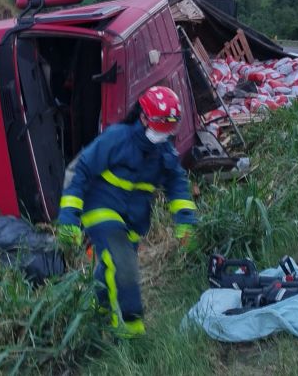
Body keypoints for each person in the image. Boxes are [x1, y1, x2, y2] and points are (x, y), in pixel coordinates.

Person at [55, 85, 198, 338]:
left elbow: (178, 185)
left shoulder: (163, 151)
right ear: (143, 117)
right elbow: (79, 170)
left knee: (109, 267)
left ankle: (96, 314)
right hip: (101, 209)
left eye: (170, 127)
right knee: (124, 265)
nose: (164, 133)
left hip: (133, 221)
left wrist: (185, 221)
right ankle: (130, 331)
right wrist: (68, 217)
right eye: (160, 125)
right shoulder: (117, 138)